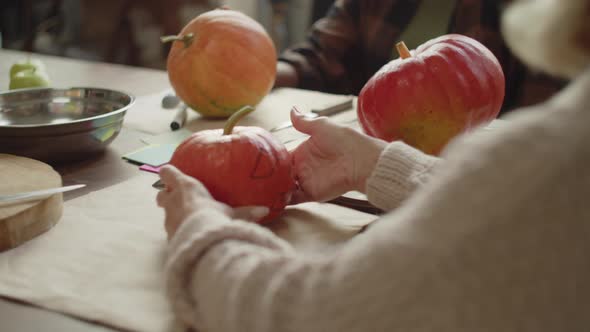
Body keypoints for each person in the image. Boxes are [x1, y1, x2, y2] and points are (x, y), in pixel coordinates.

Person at [156, 0, 590, 331]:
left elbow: (308, 315)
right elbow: (509, 204)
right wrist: (376, 164)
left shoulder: (551, 160)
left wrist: (201, 230)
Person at [275, 0, 568, 115]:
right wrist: (264, 71)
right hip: (374, 158)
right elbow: (319, 56)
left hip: (477, 173)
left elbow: (542, 116)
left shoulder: (535, 11)